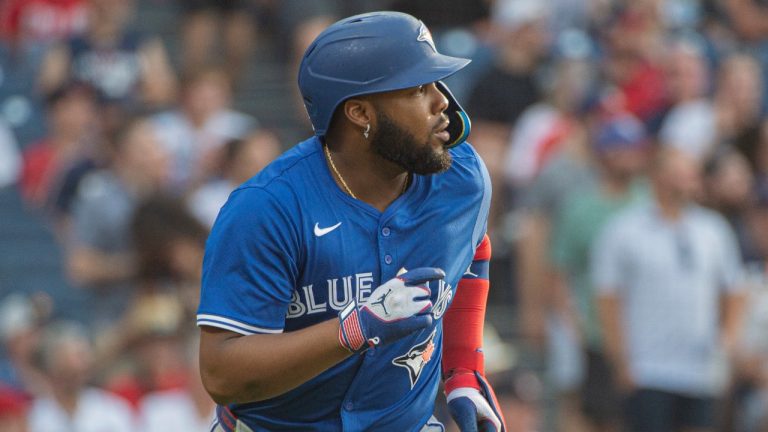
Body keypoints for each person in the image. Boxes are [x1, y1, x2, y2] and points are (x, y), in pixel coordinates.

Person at [198, 11, 506, 432]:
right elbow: (221, 372)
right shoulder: (268, 210)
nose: (442, 103)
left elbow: (473, 248)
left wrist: (465, 369)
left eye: (437, 83)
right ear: (360, 113)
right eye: (418, 88)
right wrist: (354, 328)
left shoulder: (462, 180)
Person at [594, 148, 746, 432]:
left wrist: (726, 340)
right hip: (648, 368)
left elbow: (734, 289)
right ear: (656, 178)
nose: (687, 182)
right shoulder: (625, 230)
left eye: (690, 175)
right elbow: (608, 298)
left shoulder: (712, 230)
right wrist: (621, 360)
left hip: (700, 369)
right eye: (678, 175)